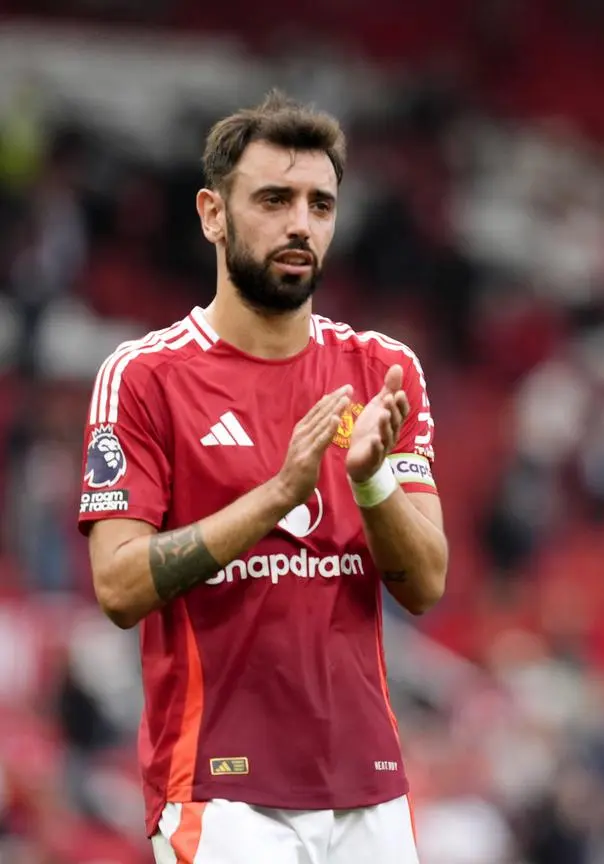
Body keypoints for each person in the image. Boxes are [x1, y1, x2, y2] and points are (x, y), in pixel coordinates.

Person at [77, 91, 447, 863]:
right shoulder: (146, 376)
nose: (300, 225)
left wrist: (372, 483)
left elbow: (426, 583)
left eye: (320, 204)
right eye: (274, 199)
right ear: (213, 214)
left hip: (369, 783)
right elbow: (116, 586)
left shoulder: (382, 370)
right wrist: (278, 495)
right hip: (220, 787)